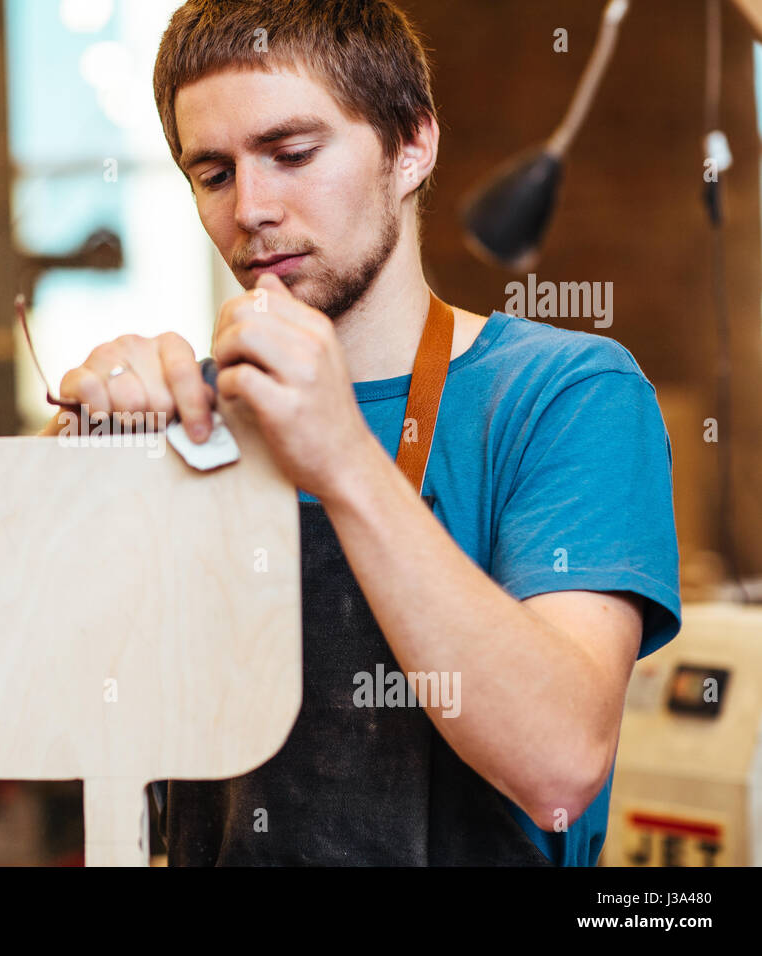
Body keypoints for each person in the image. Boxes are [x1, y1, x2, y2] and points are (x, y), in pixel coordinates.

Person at [37, 0, 680, 866]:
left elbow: (560, 766)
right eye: (214, 173)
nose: (252, 208)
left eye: (292, 154)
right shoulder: (187, 421)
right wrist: (58, 484)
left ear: (412, 145)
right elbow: (34, 711)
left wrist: (341, 458)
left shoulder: (563, 397)